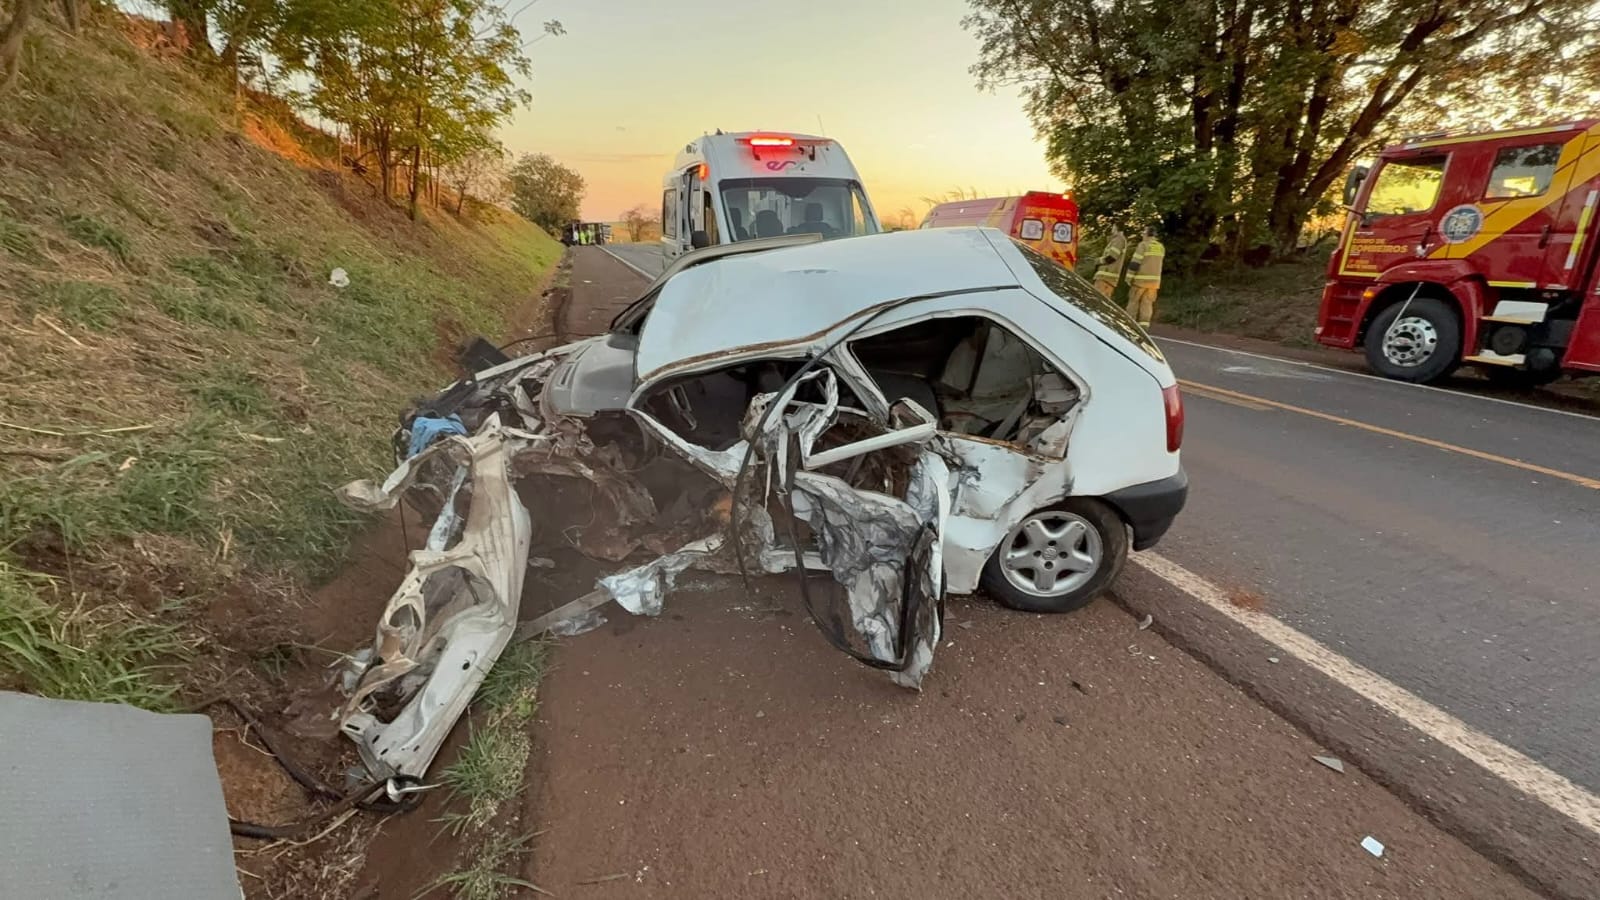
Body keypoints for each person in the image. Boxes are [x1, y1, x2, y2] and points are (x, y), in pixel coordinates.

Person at [1126, 225, 1165, 328]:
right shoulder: (1160, 247)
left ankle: (1130, 326)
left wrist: (1129, 277)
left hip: (1140, 281)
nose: (1142, 235)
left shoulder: (1143, 245)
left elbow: (1135, 263)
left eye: (1144, 233)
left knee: (1133, 302)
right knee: (1147, 305)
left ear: (1148, 235)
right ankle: (1144, 327)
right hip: (1154, 284)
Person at [1093, 226, 1128, 299]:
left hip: (1106, 278)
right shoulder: (1117, 240)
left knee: (1097, 300)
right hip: (1106, 278)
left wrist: (1098, 261)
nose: (1112, 229)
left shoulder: (1119, 240)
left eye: (1113, 227)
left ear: (1116, 229)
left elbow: (1112, 257)